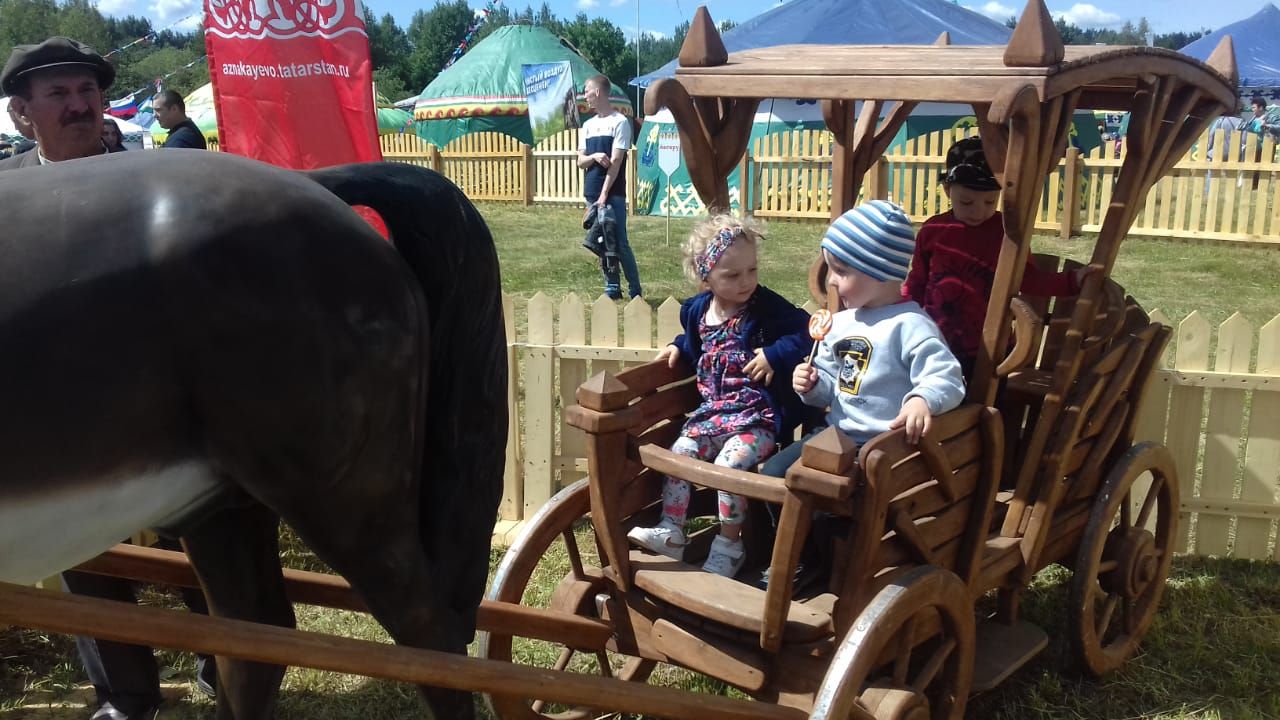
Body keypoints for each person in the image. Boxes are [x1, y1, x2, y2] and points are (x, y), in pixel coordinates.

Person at [0, 37, 214, 720]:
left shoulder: (154, 182)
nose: (79, 104)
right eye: (58, 93)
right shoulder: (6, 199)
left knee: (201, 543)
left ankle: (224, 660)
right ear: (21, 113)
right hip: (64, 418)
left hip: (167, 410)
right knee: (85, 555)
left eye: (86, 91)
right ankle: (126, 695)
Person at [626, 215, 810, 578]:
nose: (746, 282)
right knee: (682, 453)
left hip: (756, 418)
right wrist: (677, 347)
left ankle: (730, 544)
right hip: (713, 414)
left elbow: (804, 331)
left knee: (729, 466)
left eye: (752, 270)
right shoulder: (697, 312)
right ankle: (672, 530)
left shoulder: (764, 308)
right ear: (705, 275)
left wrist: (774, 355)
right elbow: (698, 345)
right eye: (732, 275)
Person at [902, 137, 1090, 377]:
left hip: (990, 348)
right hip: (935, 342)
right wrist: (904, 313)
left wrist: (1071, 281)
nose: (978, 211)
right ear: (948, 190)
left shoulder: (1006, 233)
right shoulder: (933, 231)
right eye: (967, 202)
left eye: (990, 201)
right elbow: (917, 280)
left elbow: (1028, 278)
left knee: (983, 406)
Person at [576, 74, 641, 300]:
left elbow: (616, 163)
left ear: (598, 92)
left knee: (619, 242)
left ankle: (635, 289)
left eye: (587, 91)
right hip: (591, 192)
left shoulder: (620, 122)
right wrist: (593, 156)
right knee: (601, 243)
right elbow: (580, 161)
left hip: (611, 194)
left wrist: (604, 195)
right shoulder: (588, 126)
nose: (585, 96)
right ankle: (612, 286)